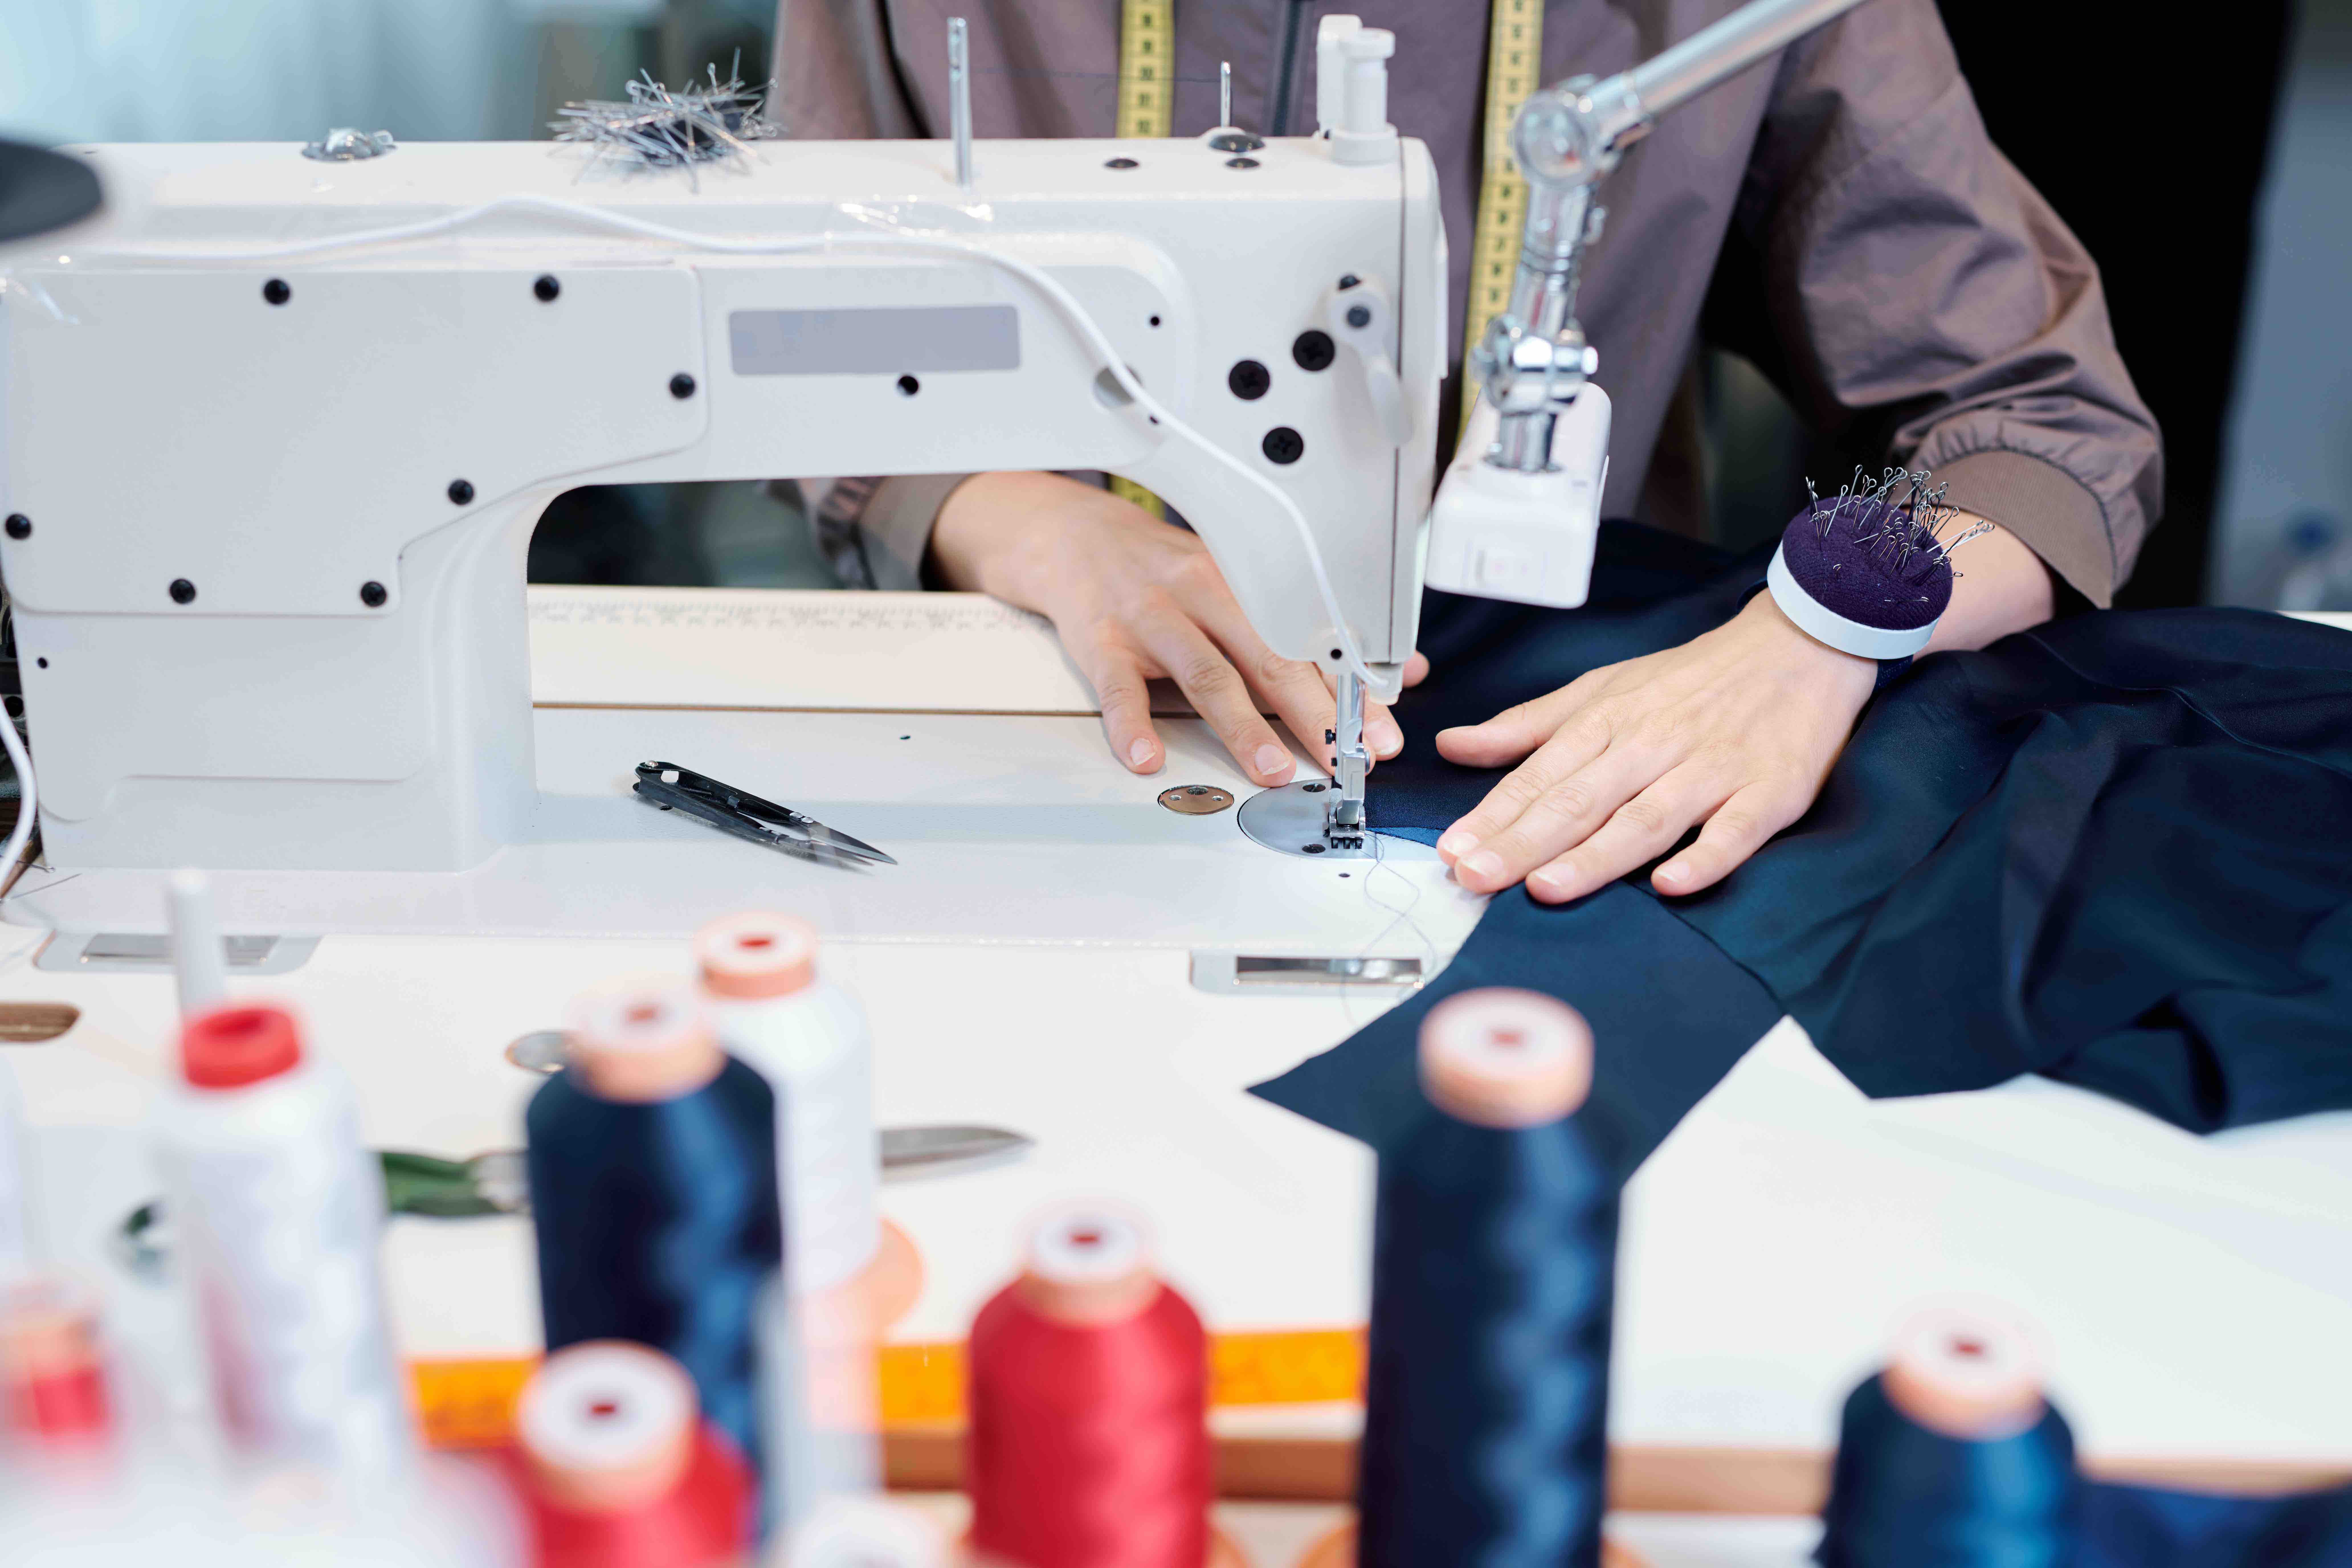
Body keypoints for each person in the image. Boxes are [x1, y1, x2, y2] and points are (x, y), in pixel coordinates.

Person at [767, 0, 2161, 903]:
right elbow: (775, 326)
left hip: (1571, 710)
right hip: (1006, 712)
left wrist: (1816, 633)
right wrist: (1016, 513)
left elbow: (2041, 428)